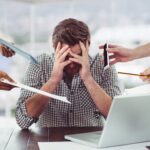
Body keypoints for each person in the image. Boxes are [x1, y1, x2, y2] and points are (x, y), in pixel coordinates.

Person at [16, 18, 121, 129]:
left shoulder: (103, 65)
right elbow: (22, 121)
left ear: (88, 46)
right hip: (49, 141)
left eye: (78, 56)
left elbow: (117, 118)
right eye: (66, 56)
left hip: (90, 143)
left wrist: (88, 78)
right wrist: (53, 81)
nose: (71, 64)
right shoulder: (39, 64)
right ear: (54, 47)